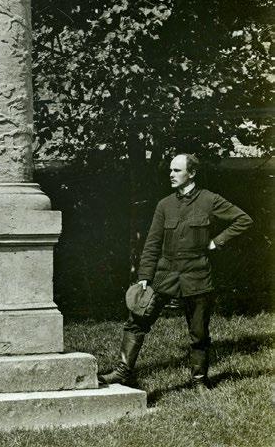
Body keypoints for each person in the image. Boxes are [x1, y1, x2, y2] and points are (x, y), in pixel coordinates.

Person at [100, 153, 252, 391]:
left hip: (197, 273)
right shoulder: (165, 204)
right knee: (137, 320)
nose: (171, 174)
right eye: (170, 170)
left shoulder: (209, 200)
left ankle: (199, 381)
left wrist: (216, 242)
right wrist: (144, 277)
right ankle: (123, 372)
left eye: (177, 170)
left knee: (199, 332)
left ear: (191, 173)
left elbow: (243, 220)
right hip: (165, 273)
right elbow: (152, 242)